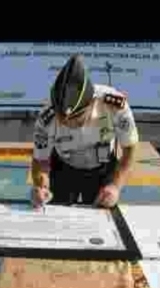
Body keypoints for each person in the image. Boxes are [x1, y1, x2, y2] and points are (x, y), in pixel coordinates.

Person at [31, 54, 138, 208]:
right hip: (63, 168)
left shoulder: (114, 105)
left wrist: (115, 186)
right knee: (53, 211)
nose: (67, 124)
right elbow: (40, 160)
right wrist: (41, 186)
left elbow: (130, 149)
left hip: (102, 169)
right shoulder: (46, 117)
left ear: (92, 102)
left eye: (76, 118)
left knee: (103, 213)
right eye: (62, 119)